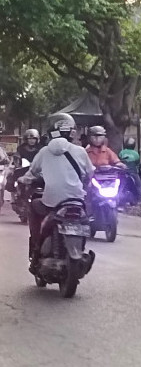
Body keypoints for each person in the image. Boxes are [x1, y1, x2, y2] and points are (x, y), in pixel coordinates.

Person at [18, 113, 95, 270]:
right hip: (77, 201)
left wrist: (22, 181)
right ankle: (81, 252)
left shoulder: (44, 152)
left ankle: (36, 245)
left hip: (52, 202)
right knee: (84, 221)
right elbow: (90, 173)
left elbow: (31, 174)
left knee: (34, 206)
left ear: (51, 131)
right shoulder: (81, 151)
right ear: (71, 131)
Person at [118, 137, 141, 203]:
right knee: (138, 185)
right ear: (134, 145)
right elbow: (137, 163)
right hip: (133, 172)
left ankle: (117, 199)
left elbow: (119, 160)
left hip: (122, 173)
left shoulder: (122, 152)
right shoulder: (135, 153)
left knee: (119, 185)